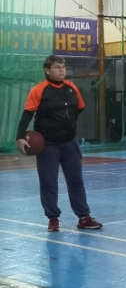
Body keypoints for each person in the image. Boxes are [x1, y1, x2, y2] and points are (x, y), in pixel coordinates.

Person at [15, 55, 102, 232]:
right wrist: (19, 137)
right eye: (57, 67)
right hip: (47, 145)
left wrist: (65, 125)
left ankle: (84, 217)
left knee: (76, 180)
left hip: (70, 142)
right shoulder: (38, 90)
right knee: (49, 181)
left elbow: (80, 108)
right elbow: (27, 115)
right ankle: (53, 218)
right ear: (47, 70)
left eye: (63, 67)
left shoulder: (72, 87)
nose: (62, 70)